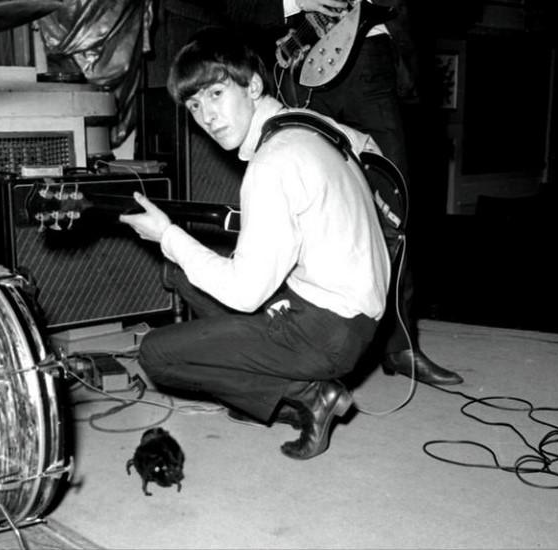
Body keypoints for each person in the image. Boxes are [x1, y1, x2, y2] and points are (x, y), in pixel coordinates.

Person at [120, 26, 391, 460]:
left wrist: (168, 235)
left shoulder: (271, 163)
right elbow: (371, 150)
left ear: (254, 86)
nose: (206, 116)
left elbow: (246, 294)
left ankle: (305, 394)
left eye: (215, 94)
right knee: (182, 272)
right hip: (359, 310)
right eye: (194, 105)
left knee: (156, 355)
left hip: (330, 331)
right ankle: (277, 388)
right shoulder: (311, 125)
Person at [223, 0, 463, 385]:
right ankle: (294, 344)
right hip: (300, 63)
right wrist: (296, 2)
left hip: (370, 55)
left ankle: (400, 345)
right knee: (303, 209)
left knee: (395, 202)